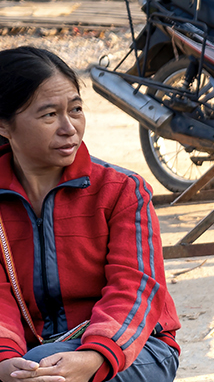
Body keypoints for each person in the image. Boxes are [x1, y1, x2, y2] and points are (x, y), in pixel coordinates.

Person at [0, 47, 180, 382]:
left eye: (76, 110)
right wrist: (5, 360)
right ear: (4, 126)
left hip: (133, 349)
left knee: (43, 368)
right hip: (29, 353)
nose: (69, 127)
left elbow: (135, 287)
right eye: (49, 115)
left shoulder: (122, 191)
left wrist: (94, 356)